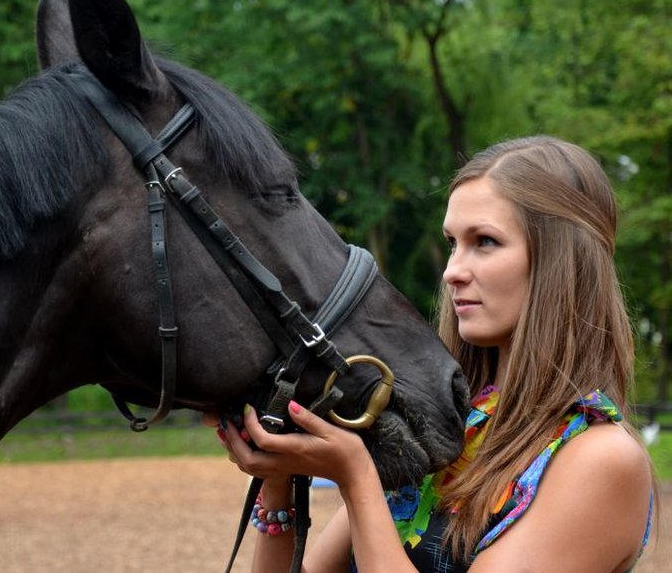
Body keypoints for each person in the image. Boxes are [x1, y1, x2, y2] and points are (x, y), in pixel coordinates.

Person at [211, 136, 656, 572]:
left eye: (484, 241)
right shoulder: (443, 428)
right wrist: (278, 485)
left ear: (561, 261)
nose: (452, 271)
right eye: (452, 243)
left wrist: (356, 475)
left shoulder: (599, 458)